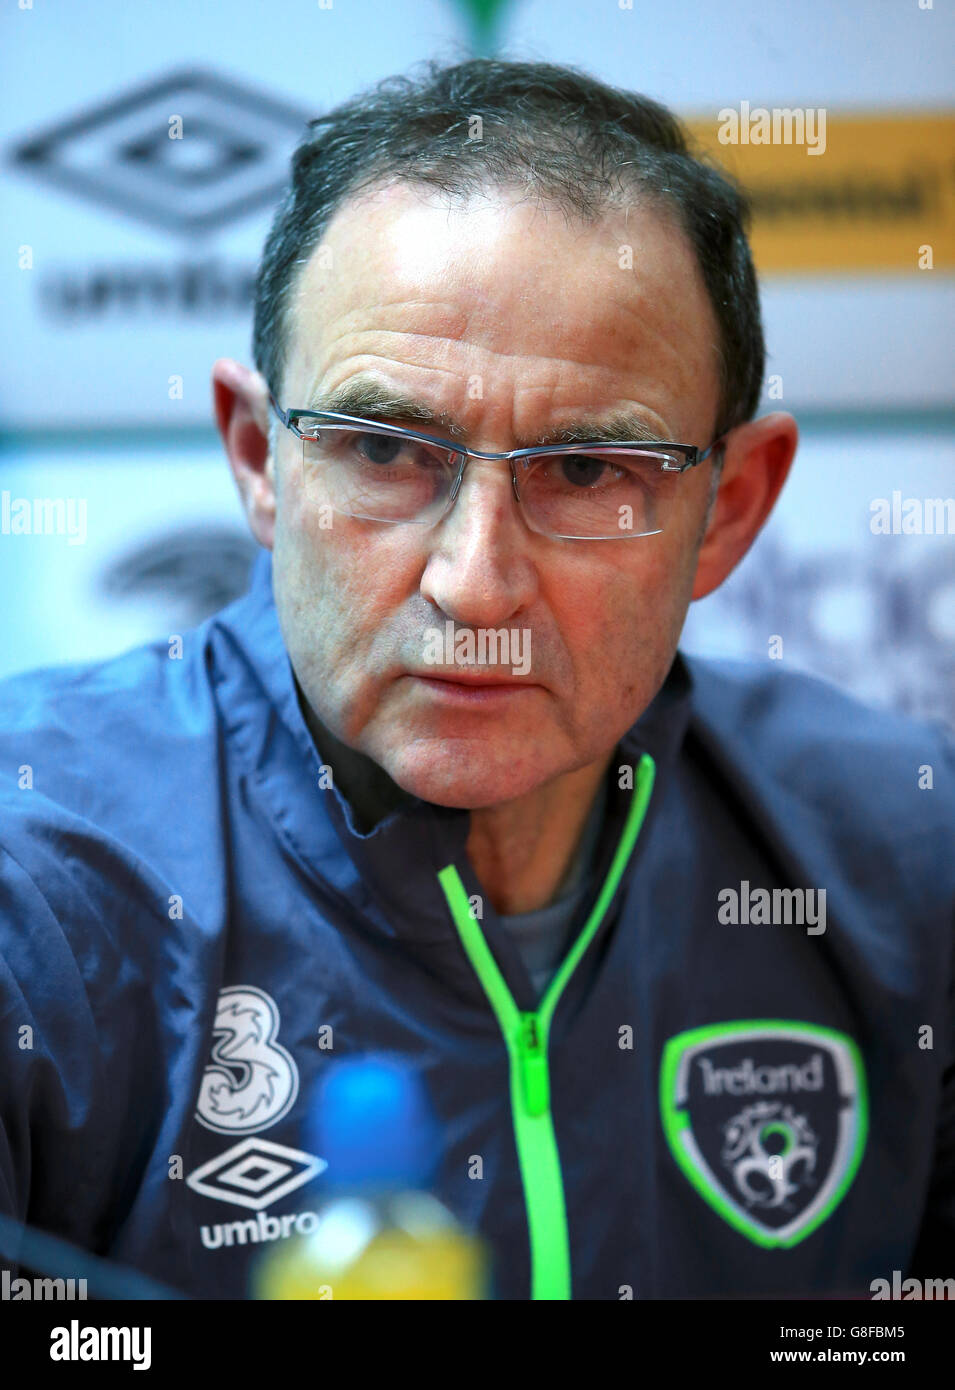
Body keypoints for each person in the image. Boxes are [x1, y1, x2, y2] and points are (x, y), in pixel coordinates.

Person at [0, 58, 951, 1302]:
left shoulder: (905, 858)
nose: (475, 581)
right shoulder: (36, 877)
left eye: (587, 470)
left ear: (729, 510)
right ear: (259, 466)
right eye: (386, 449)